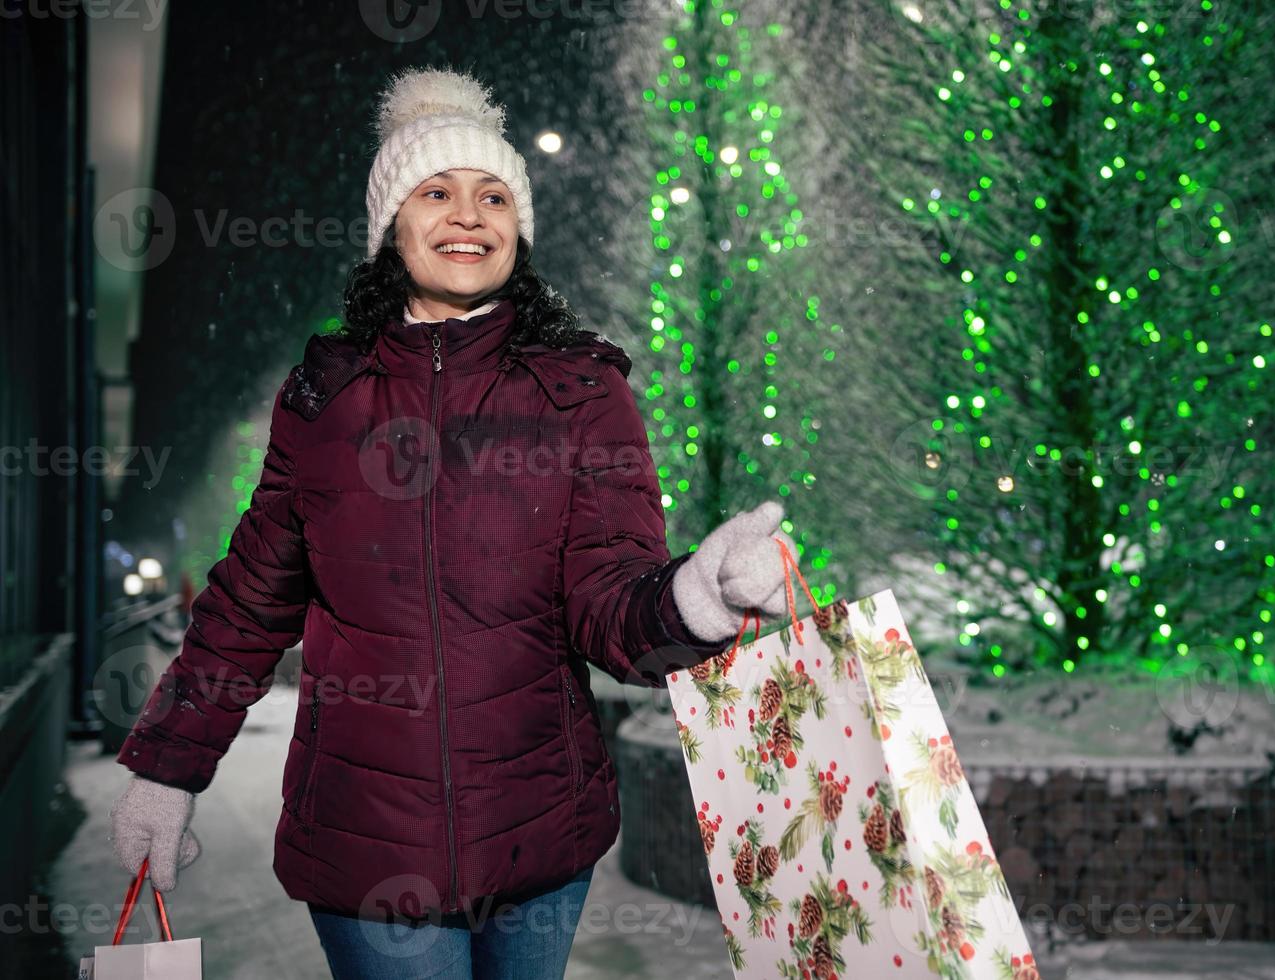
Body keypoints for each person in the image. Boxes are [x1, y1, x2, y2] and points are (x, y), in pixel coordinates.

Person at [107, 66, 798, 979]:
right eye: (436, 192)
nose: (468, 215)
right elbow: (245, 609)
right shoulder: (325, 397)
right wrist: (166, 767)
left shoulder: (581, 389)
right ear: (391, 226)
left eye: (493, 196)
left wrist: (697, 597)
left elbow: (608, 606)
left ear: (519, 228)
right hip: (364, 846)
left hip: (541, 841)